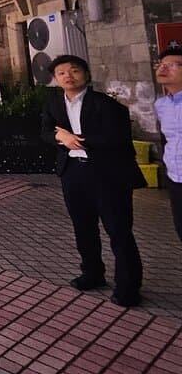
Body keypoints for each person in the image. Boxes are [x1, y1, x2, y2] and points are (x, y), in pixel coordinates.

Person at [41, 54, 145, 307]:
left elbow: (116, 138)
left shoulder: (107, 105)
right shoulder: (54, 104)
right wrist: (59, 139)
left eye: (74, 70)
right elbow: (45, 131)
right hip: (73, 172)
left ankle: (128, 287)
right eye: (62, 72)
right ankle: (92, 273)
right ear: (55, 79)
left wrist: (73, 139)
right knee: (83, 227)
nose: (68, 76)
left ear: (86, 75)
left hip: (107, 174)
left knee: (119, 230)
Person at [154, 46, 182, 244]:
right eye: (161, 65)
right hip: (175, 178)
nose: (163, 69)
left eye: (173, 65)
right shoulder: (161, 105)